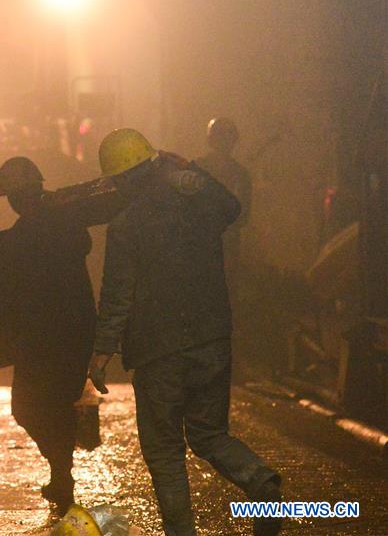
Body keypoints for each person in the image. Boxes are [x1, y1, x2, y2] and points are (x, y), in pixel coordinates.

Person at [87, 129, 281, 536]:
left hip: (158, 351)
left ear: (120, 180)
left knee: (164, 451)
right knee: (210, 434)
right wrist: (194, 173)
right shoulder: (198, 205)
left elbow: (117, 295)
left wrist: (102, 351)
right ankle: (258, 480)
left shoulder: (125, 226)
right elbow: (233, 208)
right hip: (212, 338)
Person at [0, 156, 126, 509]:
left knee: (32, 407)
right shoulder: (51, 225)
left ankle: (61, 474)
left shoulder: (38, 230)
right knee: (45, 407)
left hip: (48, 335)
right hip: (65, 332)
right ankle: (61, 475)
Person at [196, 117, 252, 271]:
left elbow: (242, 216)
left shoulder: (196, 169)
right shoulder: (240, 174)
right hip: (208, 244)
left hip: (216, 245)